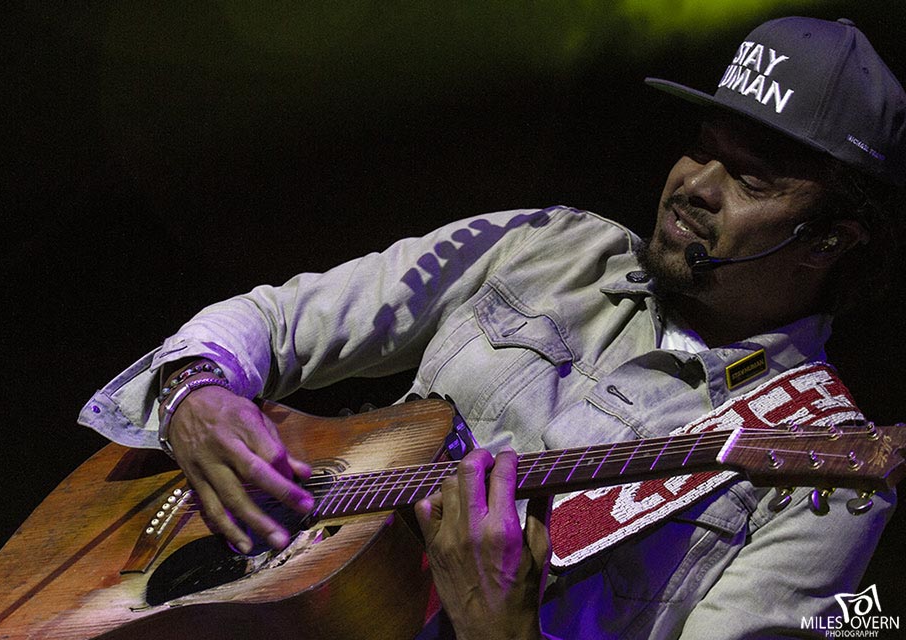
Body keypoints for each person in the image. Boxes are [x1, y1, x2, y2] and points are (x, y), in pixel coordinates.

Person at [79, 16, 905, 639]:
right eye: (703, 147)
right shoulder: (545, 243)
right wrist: (194, 388)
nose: (695, 184)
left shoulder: (825, 479)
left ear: (833, 238)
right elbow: (282, 317)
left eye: (751, 177)